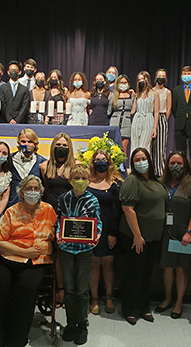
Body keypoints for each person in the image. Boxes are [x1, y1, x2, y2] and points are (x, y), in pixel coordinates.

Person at [0, 175, 57, 347]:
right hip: (6, 257)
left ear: (41, 192)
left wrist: (49, 248)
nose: (32, 192)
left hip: (36, 261)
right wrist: (24, 251)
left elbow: (56, 239)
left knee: (27, 287)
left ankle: (16, 340)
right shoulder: (12, 211)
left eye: (35, 189)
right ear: (21, 192)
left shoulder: (49, 210)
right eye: (28, 189)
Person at [119, 148, 166, 325]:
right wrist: (137, 236)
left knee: (147, 274)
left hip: (153, 237)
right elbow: (127, 209)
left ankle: (144, 306)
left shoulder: (155, 180)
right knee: (134, 274)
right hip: (136, 237)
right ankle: (130, 308)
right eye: (137, 159)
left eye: (143, 158)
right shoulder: (132, 181)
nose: (141, 162)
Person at [57, 164, 102, 345]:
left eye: (84, 178)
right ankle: (70, 323)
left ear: (89, 180)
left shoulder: (93, 200)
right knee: (69, 289)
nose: (80, 182)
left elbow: (97, 223)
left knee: (82, 290)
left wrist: (96, 236)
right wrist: (59, 234)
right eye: (76, 178)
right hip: (67, 249)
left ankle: (82, 324)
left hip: (84, 250)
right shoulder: (63, 198)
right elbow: (60, 219)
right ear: (70, 180)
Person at [156, 150, 191, 319]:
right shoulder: (161, 182)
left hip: (183, 232)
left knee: (181, 269)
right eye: (172, 163)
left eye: (179, 163)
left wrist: (189, 232)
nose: (176, 166)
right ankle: (167, 299)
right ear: (167, 165)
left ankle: (179, 302)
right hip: (166, 231)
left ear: (185, 165)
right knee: (167, 267)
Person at [40, 132, 78, 308]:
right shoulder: (44, 166)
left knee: (65, 256)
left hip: (69, 215)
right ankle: (53, 290)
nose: (61, 148)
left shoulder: (76, 166)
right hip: (49, 214)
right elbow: (45, 189)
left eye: (64, 145)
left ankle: (65, 291)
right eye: (58, 145)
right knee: (50, 252)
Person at [87, 150, 122, 315]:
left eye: (103, 159)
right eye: (97, 159)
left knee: (108, 264)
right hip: (90, 230)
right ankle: (94, 298)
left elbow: (117, 210)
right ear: (92, 162)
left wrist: (113, 233)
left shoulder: (115, 183)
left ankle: (109, 296)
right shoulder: (86, 181)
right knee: (94, 264)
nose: (100, 162)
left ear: (109, 163)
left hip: (109, 229)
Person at [171, 66, 191, 174]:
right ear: (181, 76)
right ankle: (181, 171)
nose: (186, 76)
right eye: (184, 74)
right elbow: (174, 108)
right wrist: (181, 116)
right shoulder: (176, 90)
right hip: (180, 123)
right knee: (181, 150)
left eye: (188, 73)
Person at [8, 128, 47, 207]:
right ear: (18, 142)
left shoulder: (42, 162)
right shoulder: (9, 159)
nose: (26, 144)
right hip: (12, 206)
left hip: (34, 208)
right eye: (23, 141)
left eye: (30, 142)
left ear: (35, 143)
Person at [130, 71, 159, 155]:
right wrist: (131, 96)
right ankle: (133, 167)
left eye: (143, 79)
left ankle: (144, 166)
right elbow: (133, 111)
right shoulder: (137, 95)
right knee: (135, 145)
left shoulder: (154, 93)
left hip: (148, 120)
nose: (141, 81)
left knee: (144, 146)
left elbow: (156, 112)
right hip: (137, 120)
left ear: (147, 79)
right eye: (139, 80)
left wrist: (155, 128)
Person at [108, 74, 135, 157]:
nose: (123, 84)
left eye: (125, 82)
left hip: (126, 123)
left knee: (123, 149)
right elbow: (109, 111)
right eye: (121, 82)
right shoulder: (114, 95)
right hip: (115, 122)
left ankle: (123, 168)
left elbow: (133, 110)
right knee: (113, 148)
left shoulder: (132, 95)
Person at [152, 68, 172, 176]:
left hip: (162, 117)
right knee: (151, 146)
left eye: (163, 76)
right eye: (159, 76)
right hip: (151, 117)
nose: (161, 78)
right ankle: (151, 169)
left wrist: (163, 120)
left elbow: (168, 108)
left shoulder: (167, 92)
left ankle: (159, 171)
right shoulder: (151, 90)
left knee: (160, 146)